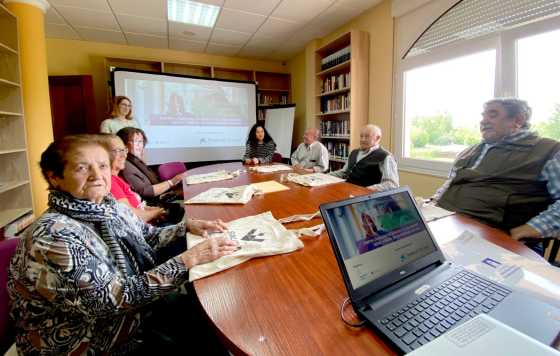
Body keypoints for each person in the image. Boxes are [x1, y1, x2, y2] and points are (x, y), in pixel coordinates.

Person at [7, 134, 238, 354]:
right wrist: (188, 260)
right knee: (205, 338)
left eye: (103, 166)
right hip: (88, 340)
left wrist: (186, 227)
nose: (97, 175)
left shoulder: (107, 206)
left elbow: (148, 236)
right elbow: (110, 302)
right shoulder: (52, 236)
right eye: (81, 167)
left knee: (214, 313)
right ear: (54, 177)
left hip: (134, 310)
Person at [433, 98, 560, 248]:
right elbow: (450, 184)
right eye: (483, 116)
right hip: (446, 226)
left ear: (518, 120)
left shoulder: (548, 151)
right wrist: (431, 204)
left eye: (492, 115)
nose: (483, 121)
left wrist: (532, 228)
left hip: (495, 238)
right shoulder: (469, 151)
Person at [100, 133, 165, 223]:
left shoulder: (117, 178)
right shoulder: (110, 181)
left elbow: (134, 206)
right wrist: (157, 212)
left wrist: (147, 209)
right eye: (118, 151)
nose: (124, 155)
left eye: (124, 150)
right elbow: (130, 214)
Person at [117, 127, 187, 202]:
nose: (138, 145)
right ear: (123, 144)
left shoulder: (135, 160)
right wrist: (173, 181)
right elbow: (145, 192)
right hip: (152, 204)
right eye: (135, 141)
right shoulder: (125, 165)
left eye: (140, 141)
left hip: (162, 196)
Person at [330, 124, 399, 191]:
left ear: (377, 138)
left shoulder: (386, 157)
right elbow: (344, 172)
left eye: (367, 136)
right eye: (361, 136)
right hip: (348, 192)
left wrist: (366, 190)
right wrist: (322, 176)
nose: (362, 139)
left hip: (367, 198)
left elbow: (391, 184)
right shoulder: (354, 152)